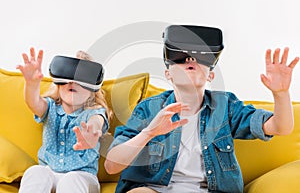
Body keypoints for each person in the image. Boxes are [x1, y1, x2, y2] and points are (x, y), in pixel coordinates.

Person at [104, 25, 299, 193]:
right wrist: (149, 132)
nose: (190, 60)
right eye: (180, 57)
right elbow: (112, 165)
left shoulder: (226, 106)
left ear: (210, 76)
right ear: (167, 75)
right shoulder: (149, 109)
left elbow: (280, 128)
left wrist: (280, 94)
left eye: (200, 57)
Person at [17, 47, 112, 193]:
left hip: (83, 177)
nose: (72, 82)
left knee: (71, 180)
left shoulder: (93, 112)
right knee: (35, 172)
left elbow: (96, 121)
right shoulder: (50, 108)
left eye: (81, 78)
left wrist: (92, 132)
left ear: (92, 90)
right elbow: (33, 102)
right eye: (67, 77)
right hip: (50, 172)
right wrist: (31, 84)